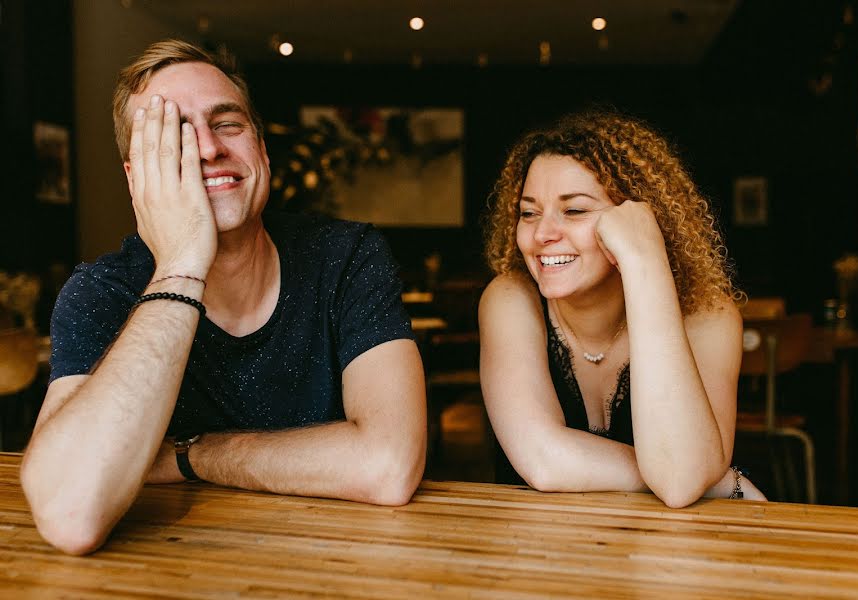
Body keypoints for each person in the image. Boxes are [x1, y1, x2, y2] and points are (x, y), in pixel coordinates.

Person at [20, 40, 427, 555]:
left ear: (261, 146)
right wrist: (181, 264)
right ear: (137, 176)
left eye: (227, 123)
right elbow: (69, 515)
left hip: (339, 558)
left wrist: (196, 455)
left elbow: (387, 466)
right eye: (177, 136)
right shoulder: (101, 291)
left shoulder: (345, 257)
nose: (209, 149)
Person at [479, 109, 764, 507]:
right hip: (540, 549)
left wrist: (645, 260)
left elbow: (680, 482)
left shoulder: (708, 316)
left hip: (672, 557)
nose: (542, 233)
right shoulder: (510, 298)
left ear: (640, 218)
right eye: (528, 213)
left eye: (574, 210)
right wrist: (709, 480)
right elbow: (543, 460)